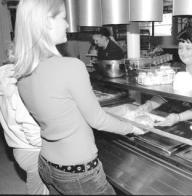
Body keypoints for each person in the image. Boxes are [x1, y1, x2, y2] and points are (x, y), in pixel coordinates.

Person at [13, 0, 144, 195]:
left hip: (47, 164)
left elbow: (60, 112)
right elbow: (97, 120)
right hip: (78, 173)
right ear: (47, 21)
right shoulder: (71, 66)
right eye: (63, 18)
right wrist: (133, 128)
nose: (67, 25)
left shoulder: (21, 70)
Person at [138, 26, 192, 127]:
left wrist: (178, 117)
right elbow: (165, 95)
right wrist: (149, 105)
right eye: (180, 48)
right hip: (184, 120)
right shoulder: (179, 69)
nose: (183, 52)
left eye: (188, 48)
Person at [0, 64, 49, 195]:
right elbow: (31, 127)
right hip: (33, 151)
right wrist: (49, 145)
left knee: (41, 188)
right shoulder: (19, 89)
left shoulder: (4, 83)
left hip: (18, 147)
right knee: (38, 191)